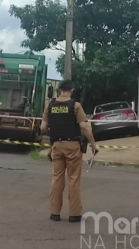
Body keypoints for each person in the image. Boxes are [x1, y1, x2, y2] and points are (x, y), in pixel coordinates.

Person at [41, 80, 99, 223]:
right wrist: (93, 144)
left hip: (56, 145)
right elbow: (84, 127)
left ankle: (55, 213)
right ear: (71, 90)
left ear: (59, 90)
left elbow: (42, 128)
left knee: (57, 179)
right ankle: (74, 214)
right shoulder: (75, 106)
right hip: (72, 146)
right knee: (73, 179)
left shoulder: (50, 105)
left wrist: (54, 135)